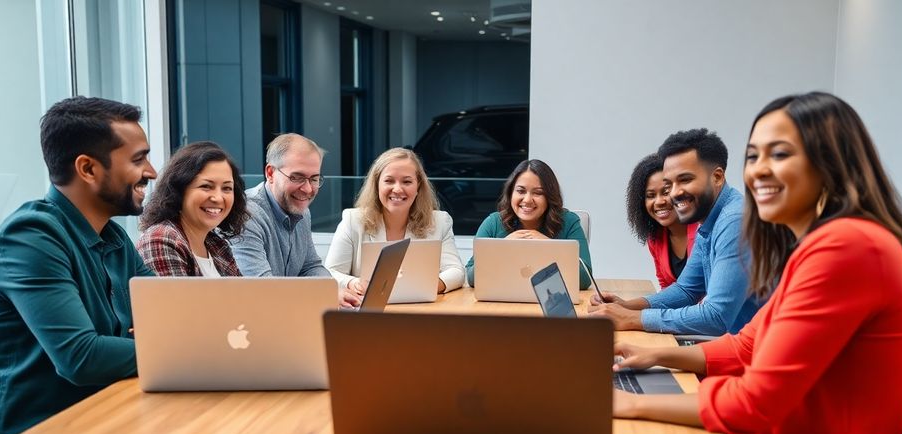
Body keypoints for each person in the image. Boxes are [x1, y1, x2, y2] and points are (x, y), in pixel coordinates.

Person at [612, 92, 902, 434]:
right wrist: (653, 358)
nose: (759, 169)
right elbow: (747, 344)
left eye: (778, 154)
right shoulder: (821, 245)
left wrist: (634, 403)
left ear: (830, 163)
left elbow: (755, 403)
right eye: (753, 156)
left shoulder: (848, 249)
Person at [0, 96, 157, 434]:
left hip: (110, 412)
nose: (152, 171)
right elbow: (82, 357)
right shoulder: (29, 237)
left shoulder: (113, 235)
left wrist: (156, 340)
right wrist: (182, 349)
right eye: (138, 159)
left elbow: (167, 318)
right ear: (88, 169)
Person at [590, 129, 759, 335]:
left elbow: (716, 316)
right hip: (734, 345)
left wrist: (633, 318)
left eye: (685, 180)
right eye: (670, 184)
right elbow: (686, 290)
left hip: (756, 355)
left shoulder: (734, 220)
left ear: (717, 177)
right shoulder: (708, 219)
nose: (675, 193)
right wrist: (626, 306)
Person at [229, 133, 358, 307]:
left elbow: (310, 267)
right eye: (296, 177)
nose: (307, 189)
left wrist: (332, 290)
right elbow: (262, 290)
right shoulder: (246, 215)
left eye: (314, 179)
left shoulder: (301, 210)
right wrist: (322, 296)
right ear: (270, 173)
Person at [324, 147, 464, 298]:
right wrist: (355, 283)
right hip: (370, 315)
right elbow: (330, 273)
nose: (397, 189)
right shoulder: (353, 221)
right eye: (389, 181)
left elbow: (456, 272)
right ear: (377, 185)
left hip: (420, 312)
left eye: (407, 181)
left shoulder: (440, 221)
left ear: (418, 187)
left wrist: (427, 286)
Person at [465, 159, 592, 289]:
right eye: (520, 191)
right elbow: (471, 277)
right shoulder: (493, 223)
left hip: (551, 304)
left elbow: (585, 278)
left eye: (538, 193)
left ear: (549, 197)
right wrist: (502, 249)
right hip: (503, 302)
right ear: (511, 193)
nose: (527, 200)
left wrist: (550, 246)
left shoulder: (569, 222)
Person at [137, 141, 247, 276]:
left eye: (227, 188)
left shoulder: (217, 245)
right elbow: (176, 298)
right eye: (206, 186)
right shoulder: (161, 239)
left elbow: (244, 297)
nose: (218, 198)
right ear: (180, 190)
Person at [626, 152, 698, 289]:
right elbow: (666, 287)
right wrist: (624, 306)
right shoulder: (655, 238)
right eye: (650, 196)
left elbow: (709, 296)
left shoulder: (704, 231)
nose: (659, 202)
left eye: (666, 192)